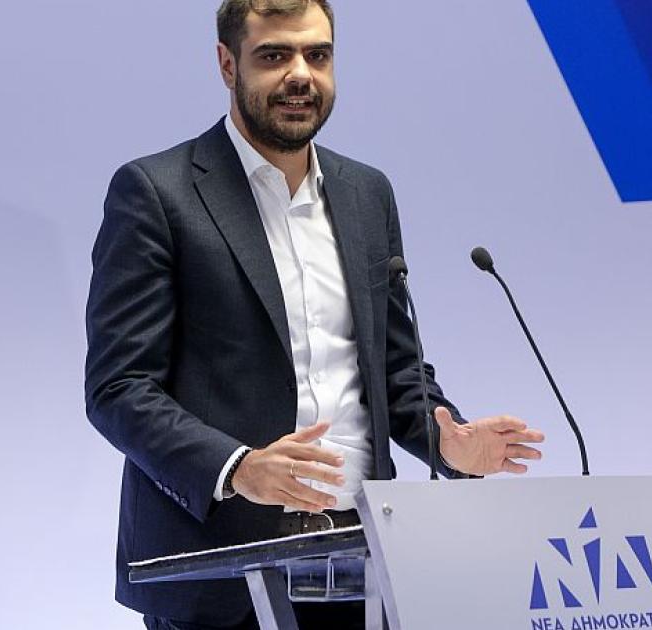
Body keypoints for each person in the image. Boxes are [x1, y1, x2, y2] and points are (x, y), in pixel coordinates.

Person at [84, 1, 545, 628]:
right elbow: (119, 388)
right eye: (274, 55)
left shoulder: (366, 194)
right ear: (227, 65)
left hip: (365, 564)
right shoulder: (157, 193)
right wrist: (238, 467)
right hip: (223, 574)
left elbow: (393, 371)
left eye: (317, 55)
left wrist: (447, 440)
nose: (300, 74)